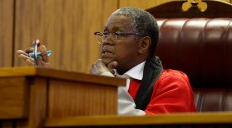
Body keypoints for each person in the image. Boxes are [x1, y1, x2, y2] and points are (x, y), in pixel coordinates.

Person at [17, 7, 197, 115]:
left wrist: (107, 84)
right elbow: (67, 115)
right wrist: (46, 78)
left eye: (117, 34)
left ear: (143, 44)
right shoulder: (97, 77)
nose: (106, 40)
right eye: (105, 33)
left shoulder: (172, 83)